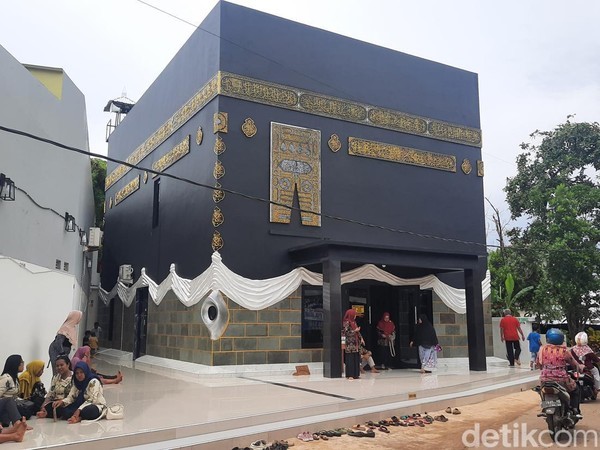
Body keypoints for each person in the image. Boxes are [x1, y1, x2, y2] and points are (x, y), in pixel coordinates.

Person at [537, 328, 583, 418]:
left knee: (541, 391)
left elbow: (538, 364)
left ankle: (545, 407)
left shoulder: (542, 350)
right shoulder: (564, 351)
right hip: (561, 380)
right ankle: (574, 409)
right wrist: (580, 368)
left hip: (545, 379)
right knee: (576, 389)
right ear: (561, 339)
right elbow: (574, 364)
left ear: (547, 339)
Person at [36, 355, 73, 420]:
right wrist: (44, 405)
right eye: (57, 366)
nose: (59, 367)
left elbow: (72, 396)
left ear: (68, 365)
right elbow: (51, 393)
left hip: (66, 402)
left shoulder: (73, 378)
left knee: (63, 410)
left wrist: (62, 401)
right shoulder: (56, 377)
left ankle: (46, 413)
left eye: (61, 365)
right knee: (37, 400)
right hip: (55, 402)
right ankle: (46, 411)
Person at [48, 310, 82, 376]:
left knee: (63, 372)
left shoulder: (72, 328)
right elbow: (58, 342)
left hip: (63, 353)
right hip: (56, 352)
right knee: (57, 372)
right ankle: (55, 385)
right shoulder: (66, 327)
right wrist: (62, 354)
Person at [342, 309, 361, 380]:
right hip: (349, 344)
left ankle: (356, 374)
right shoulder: (346, 322)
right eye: (354, 314)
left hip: (355, 343)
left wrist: (361, 338)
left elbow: (357, 331)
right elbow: (346, 333)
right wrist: (354, 331)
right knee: (350, 359)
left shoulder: (354, 322)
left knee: (355, 358)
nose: (355, 316)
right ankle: (350, 375)